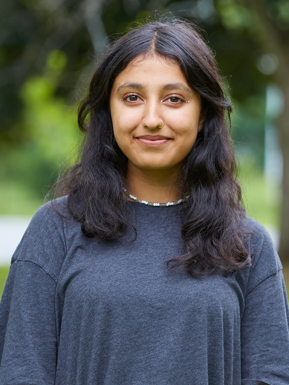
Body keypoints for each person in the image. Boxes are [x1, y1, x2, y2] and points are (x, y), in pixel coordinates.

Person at [0, 18, 288, 385]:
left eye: (174, 99)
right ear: (109, 111)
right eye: (132, 97)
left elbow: (271, 375)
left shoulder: (247, 246)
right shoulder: (55, 230)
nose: (152, 119)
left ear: (203, 115)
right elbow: (21, 371)